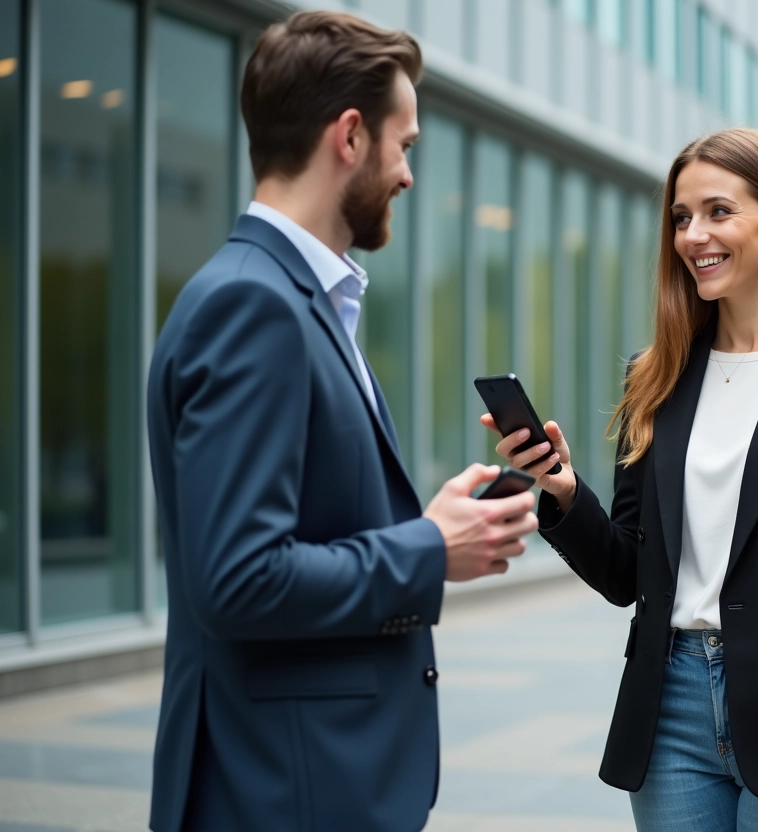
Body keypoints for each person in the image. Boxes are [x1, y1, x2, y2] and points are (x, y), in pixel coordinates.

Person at [145, 13, 537, 832]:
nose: (408, 174)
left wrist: (433, 523)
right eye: (406, 144)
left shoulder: (287, 299)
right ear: (350, 136)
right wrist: (431, 547)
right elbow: (240, 579)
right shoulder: (254, 307)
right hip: (283, 791)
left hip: (298, 782)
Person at [483, 128, 758, 831]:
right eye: (681, 218)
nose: (693, 235)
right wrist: (562, 491)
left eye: (717, 212)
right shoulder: (654, 376)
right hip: (670, 703)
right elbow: (627, 573)